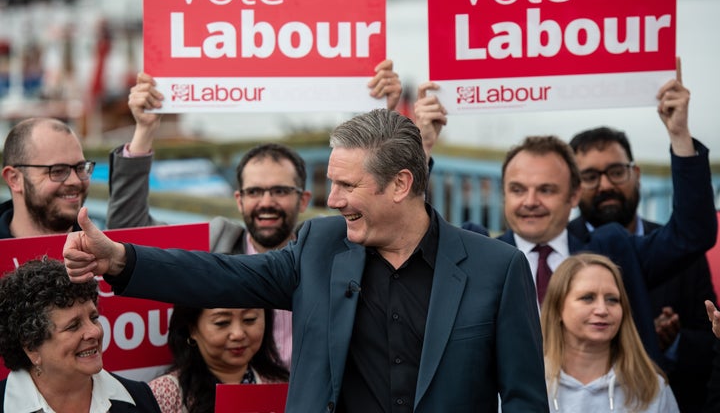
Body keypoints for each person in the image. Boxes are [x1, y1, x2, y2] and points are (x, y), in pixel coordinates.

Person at [64, 108, 549, 412]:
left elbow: (526, 400)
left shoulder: (497, 268)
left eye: (347, 186)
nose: (331, 200)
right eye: (330, 182)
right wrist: (120, 259)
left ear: (401, 184)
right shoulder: (320, 246)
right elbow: (220, 276)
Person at [105, 59, 403, 367]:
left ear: (304, 200)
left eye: (279, 191)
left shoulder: (336, 249)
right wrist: (144, 130)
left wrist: (385, 118)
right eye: (255, 192)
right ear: (238, 200)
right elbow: (127, 231)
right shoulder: (215, 244)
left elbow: (395, 219)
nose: (266, 202)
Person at [414, 73, 717, 368]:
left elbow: (692, 233)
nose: (530, 201)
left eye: (546, 189)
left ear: (574, 195)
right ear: (504, 194)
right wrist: (422, 147)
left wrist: (679, 134)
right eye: (518, 189)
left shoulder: (612, 250)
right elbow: (408, 236)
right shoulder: (476, 253)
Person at [568, 126, 717, 412]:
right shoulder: (560, 251)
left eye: (616, 171)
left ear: (635, 174)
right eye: (589, 176)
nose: (605, 185)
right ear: (574, 187)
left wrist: (672, 344)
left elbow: (712, 343)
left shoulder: (682, 249)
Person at [0, 257, 161, 413]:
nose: (95, 331)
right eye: (73, 326)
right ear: (31, 346)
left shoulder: (139, 398)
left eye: (94, 318)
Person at [541, 253, 679, 412]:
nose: (602, 310)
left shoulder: (652, 387)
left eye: (612, 299)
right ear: (558, 308)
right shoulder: (526, 382)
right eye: (588, 298)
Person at [149, 305, 288, 413]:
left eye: (249, 319)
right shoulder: (164, 394)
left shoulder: (285, 386)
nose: (238, 334)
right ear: (192, 329)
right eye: (222, 322)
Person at [1, 117, 95, 238]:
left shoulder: (103, 250)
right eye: (58, 171)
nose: (75, 181)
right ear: (14, 179)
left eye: (81, 168)